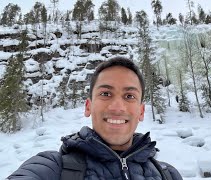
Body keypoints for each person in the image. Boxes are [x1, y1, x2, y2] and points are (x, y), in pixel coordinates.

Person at [7, 56, 182, 180]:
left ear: (141, 111)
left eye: (129, 96)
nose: (117, 107)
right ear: (88, 106)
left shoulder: (168, 175)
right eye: (106, 93)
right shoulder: (52, 167)